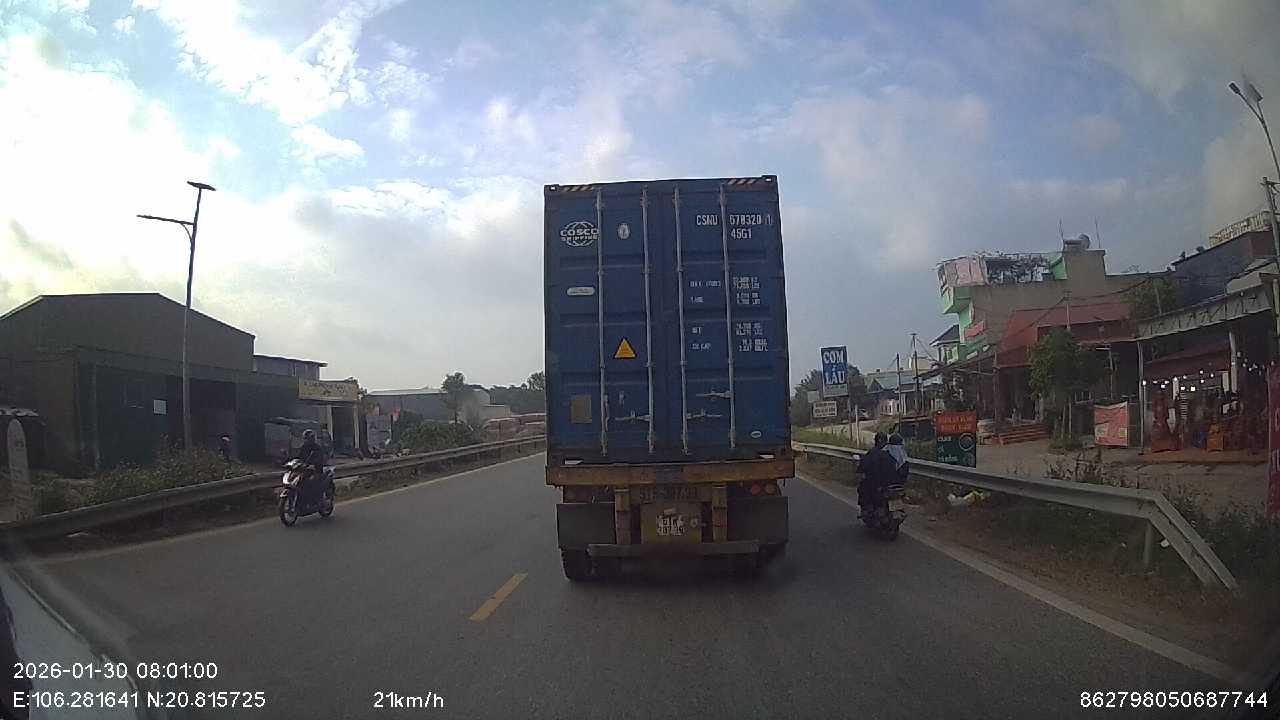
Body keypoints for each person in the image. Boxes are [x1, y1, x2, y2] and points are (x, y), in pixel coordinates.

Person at [856, 432, 895, 513]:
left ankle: (869, 510)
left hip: (878, 483)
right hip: (891, 482)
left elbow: (864, 465)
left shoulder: (873, 452)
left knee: (863, 489)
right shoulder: (892, 452)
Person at [293, 429, 326, 505]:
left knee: (311, 482)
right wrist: (290, 461)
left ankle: (315, 500)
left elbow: (320, 458)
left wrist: (314, 464)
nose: (306, 440)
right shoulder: (303, 447)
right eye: (305, 438)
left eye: (308, 438)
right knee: (298, 481)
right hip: (305, 470)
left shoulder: (317, 448)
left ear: (312, 438)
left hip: (316, 471)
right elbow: (298, 457)